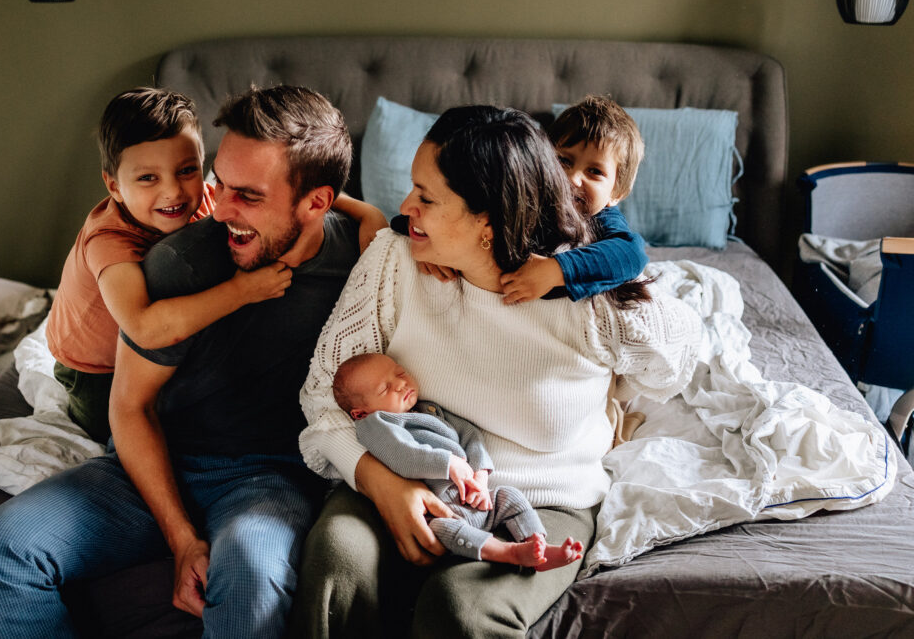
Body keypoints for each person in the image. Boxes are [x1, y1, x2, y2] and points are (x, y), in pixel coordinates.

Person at [0, 85, 362, 639]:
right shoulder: (179, 264)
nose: (219, 210)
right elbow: (129, 406)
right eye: (220, 183)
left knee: (251, 577)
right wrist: (181, 538)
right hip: (155, 463)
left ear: (317, 203)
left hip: (266, 477)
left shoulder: (365, 263)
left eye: (248, 195)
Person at [290, 105, 701, 638]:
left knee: (460, 609)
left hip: (539, 499)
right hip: (406, 468)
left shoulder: (584, 291)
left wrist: (609, 311)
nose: (405, 206)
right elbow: (324, 396)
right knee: (337, 561)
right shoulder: (397, 258)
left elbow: (678, 358)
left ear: (487, 221)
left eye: (426, 198)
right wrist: (380, 481)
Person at [46, 87, 385, 442]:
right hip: (95, 368)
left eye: (187, 170)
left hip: (161, 361)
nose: (173, 192)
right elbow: (144, 328)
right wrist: (241, 291)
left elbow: (298, 188)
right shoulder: (108, 241)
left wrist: (367, 211)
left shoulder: (209, 198)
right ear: (114, 186)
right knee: (110, 435)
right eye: (147, 178)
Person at [334, 352, 585, 571]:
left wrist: (480, 476)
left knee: (509, 496)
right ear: (360, 413)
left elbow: (470, 436)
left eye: (400, 373)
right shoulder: (375, 424)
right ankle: (509, 553)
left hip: (475, 496)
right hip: (439, 509)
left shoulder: (430, 410)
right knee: (444, 530)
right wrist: (448, 463)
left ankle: (538, 545)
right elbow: (402, 455)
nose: (400, 383)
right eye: (384, 389)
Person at [405, 94, 648, 308]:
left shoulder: (604, 219)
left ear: (617, 194)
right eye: (564, 161)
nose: (573, 178)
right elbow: (442, 217)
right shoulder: (534, 198)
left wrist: (556, 270)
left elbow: (632, 254)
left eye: (594, 172)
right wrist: (431, 246)